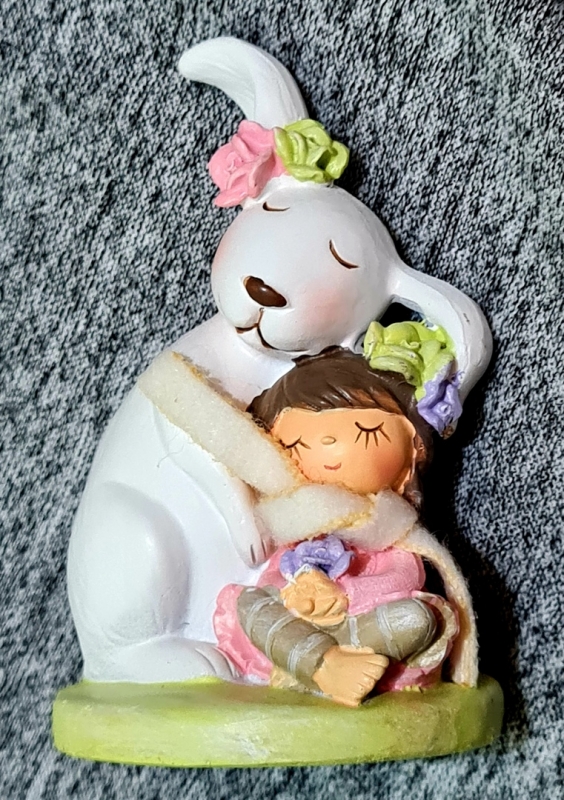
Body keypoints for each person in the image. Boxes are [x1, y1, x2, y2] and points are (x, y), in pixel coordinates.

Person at [213, 348, 458, 707]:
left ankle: (313, 665)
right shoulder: (300, 526)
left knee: (418, 618)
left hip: (364, 627)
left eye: (366, 432)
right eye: (296, 444)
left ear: (413, 450)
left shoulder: (390, 526)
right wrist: (298, 593)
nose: (328, 447)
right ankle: (323, 664)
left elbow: (404, 577)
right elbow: (274, 575)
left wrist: (345, 595)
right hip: (301, 620)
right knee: (250, 604)